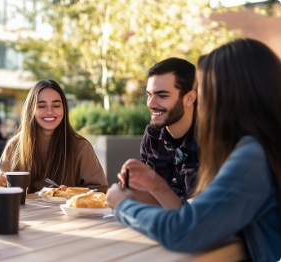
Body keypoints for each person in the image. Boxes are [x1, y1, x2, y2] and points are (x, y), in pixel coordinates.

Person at [106, 38, 281, 262]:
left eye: (207, 91)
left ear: (229, 95)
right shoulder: (264, 146)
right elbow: (204, 218)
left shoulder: (253, 155)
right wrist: (158, 186)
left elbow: (185, 231)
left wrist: (123, 205)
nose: (202, 102)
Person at [0, 80, 108, 193]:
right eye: (42, 106)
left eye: (56, 105)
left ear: (64, 108)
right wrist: (2, 183)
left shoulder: (80, 146)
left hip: (65, 212)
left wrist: (70, 194)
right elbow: (0, 187)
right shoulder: (14, 146)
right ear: (30, 110)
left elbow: (99, 190)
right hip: (24, 212)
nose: (50, 111)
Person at [119, 58, 198, 209]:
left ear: (189, 98)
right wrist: (130, 186)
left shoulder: (214, 140)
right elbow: (146, 195)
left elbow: (206, 211)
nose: (150, 104)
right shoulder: (153, 136)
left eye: (162, 96)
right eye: (149, 95)